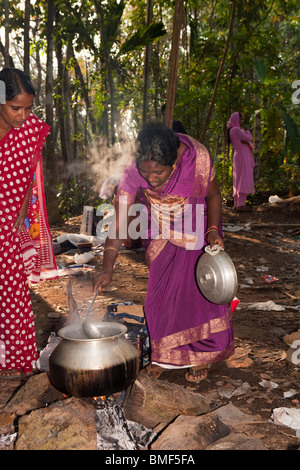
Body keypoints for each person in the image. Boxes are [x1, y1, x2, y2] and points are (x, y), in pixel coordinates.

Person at [94, 123, 234, 383]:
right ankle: (164, 356)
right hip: (158, 224)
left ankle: (201, 356)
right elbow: (120, 219)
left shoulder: (198, 159)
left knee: (197, 293)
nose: (151, 179)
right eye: (146, 173)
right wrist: (107, 267)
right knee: (161, 292)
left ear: (176, 161)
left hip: (197, 224)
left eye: (158, 172)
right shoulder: (134, 169)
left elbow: (213, 195)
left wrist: (213, 230)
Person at [0, 68, 57, 379]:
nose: (23, 116)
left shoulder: (30, 130)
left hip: (8, 219)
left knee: (11, 290)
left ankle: (14, 360)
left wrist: (22, 210)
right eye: (15, 108)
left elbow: (27, 173)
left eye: (28, 108)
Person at [227, 112, 255, 210]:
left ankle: (236, 204)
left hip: (239, 155)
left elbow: (247, 140)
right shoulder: (236, 130)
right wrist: (247, 131)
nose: (241, 121)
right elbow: (248, 139)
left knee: (238, 179)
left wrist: (246, 140)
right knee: (243, 178)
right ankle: (240, 204)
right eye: (240, 119)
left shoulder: (232, 130)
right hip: (243, 156)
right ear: (236, 119)